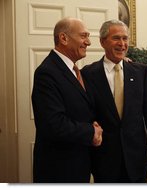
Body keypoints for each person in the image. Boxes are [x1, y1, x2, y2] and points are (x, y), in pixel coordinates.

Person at [81, 20, 147, 183]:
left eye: (125, 38)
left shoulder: (141, 72)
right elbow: (85, 113)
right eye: (116, 38)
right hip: (103, 157)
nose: (122, 44)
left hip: (136, 155)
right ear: (102, 42)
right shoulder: (87, 74)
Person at [31, 17, 103, 183]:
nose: (89, 42)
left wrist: (124, 64)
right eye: (84, 36)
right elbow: (53, 124)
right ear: (63, 38)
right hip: (58, 169)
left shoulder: (76, 71)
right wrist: (91, 132)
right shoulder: (47, 73)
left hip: (79, 164)